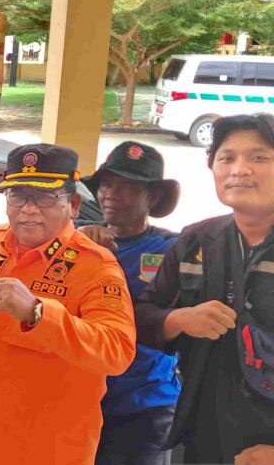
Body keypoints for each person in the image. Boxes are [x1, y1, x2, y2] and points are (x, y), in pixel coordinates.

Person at [0, 143, 137, 464]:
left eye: (45, 197)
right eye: (17, 196)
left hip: (46, 449)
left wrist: (38, 315)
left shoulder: (95, 267)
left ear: (74, 204)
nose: (29, 209)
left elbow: (117, 351)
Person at [135, 114, 274, 464]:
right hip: (203, 431)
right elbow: (141, 317)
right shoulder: (196, 240)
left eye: (259, 158)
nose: (239, 169)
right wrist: (178, 319)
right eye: (226, 158)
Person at [78, 141, 181, 465]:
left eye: (126, 187)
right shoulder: (75, 240)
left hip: (145, 404)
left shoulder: (171, 249)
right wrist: (82, 245)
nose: (111, 193)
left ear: (153, 197)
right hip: (82, 401)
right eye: (107, 184)